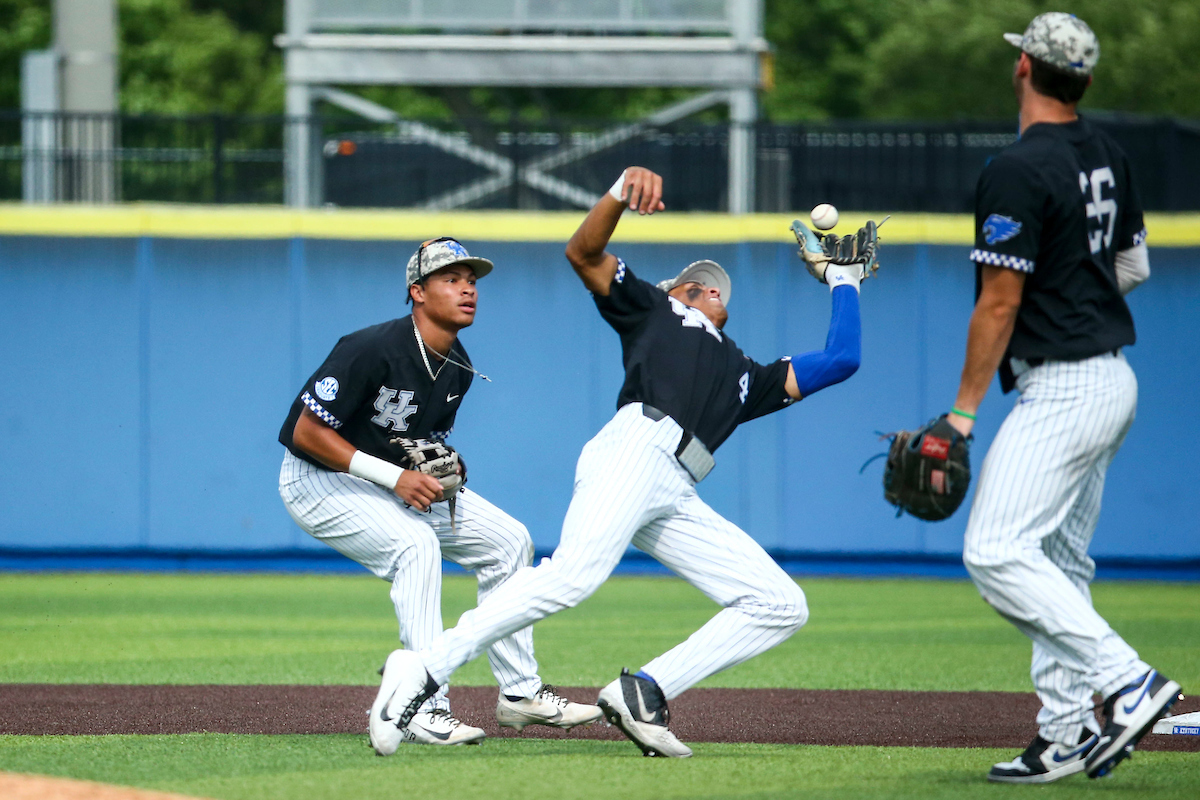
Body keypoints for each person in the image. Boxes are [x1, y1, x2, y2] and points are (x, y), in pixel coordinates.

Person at [366, 167, 877, 758]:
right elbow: (583, 251)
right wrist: (617, 193)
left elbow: (842, 359)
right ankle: (423, 669)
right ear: (670, 294)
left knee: (780, 604)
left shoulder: (749, 376)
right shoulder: (657, 313)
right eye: (694, 284)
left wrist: (844, 281)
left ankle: (644, 693)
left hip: (677, 486)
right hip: (638, 448)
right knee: (572, 577)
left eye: (715, 287)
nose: (710, 288)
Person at [942, 13, 1181, 784]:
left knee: (995, 551)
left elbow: (999, 303)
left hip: (1065, 383)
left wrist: (962, 413)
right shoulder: (1108, 153)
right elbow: (1134, 266)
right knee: (1060, 561)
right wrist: (1077, 294)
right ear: (1083, 79)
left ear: (1023, 69)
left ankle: (1130, 681)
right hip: (1112, 376)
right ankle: (1067, 732)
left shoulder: (1016, 167)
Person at [277, 237, 602, 754]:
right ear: (417, 292)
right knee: (415, 547)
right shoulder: (369, 347)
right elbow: (305, 433)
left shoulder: (456, 365)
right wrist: (395, 478)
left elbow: (414, 441)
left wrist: (444, 463)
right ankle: (422, 706)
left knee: (509, 542)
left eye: (471, 281)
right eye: (451, 279)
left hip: (383, 480)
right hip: (319, 480)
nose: (467, 289)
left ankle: (519, 692)